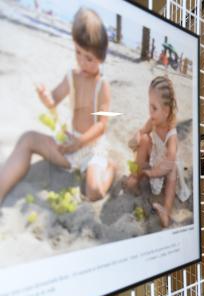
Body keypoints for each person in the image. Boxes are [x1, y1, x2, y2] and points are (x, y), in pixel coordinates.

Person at [0, 8, 115, 206]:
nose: (82, 62)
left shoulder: (102, 85)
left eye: (90, 58)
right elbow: (54, 100)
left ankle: (110, 168)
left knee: (93, 191)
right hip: (69, 146)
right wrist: (46, 98)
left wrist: (80, 142)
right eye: (78, 53)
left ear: (101, 58)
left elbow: (102, 125)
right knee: (27, 139)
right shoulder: (72, 75)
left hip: (91, 148)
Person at [124, 76, 190, 227]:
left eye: (154, 108)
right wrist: (136, 138)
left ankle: (166, 211)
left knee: (172, 169)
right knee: (146, 139)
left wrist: (151, 173)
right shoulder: (153, 121)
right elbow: (141, 132)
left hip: (166, 164)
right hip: (154, 158)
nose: (150, 112)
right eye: (149, 106)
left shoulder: (171, 134)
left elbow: (169, 161)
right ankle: (134, 179)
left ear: (166, 111)